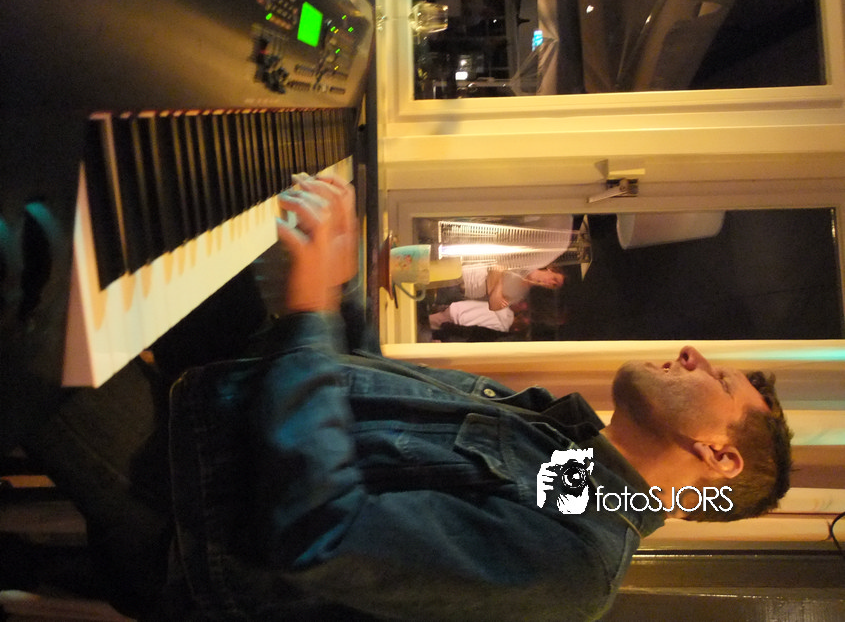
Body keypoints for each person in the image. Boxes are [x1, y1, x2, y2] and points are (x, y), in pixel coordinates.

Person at [20, 175, 792, 621]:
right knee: (159, 201)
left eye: (717, 380)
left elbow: (316, 533)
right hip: (226, 410)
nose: (692, 356)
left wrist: (312, 309)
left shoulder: (573, 566)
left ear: (717, 457)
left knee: (26, 307)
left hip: (195, 515)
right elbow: (362, 385)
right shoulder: (561, 444)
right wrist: (342, 286)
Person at [461, 263, 565, 311]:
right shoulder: (525, 263)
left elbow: (494, 306)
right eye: (554, 279)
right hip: (465, 272)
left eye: (554, 285)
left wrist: (499, 279)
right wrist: (497, 294)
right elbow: (496, 266)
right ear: (550, 270)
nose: (550, 283)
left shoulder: (521, 294)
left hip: (465, 292)